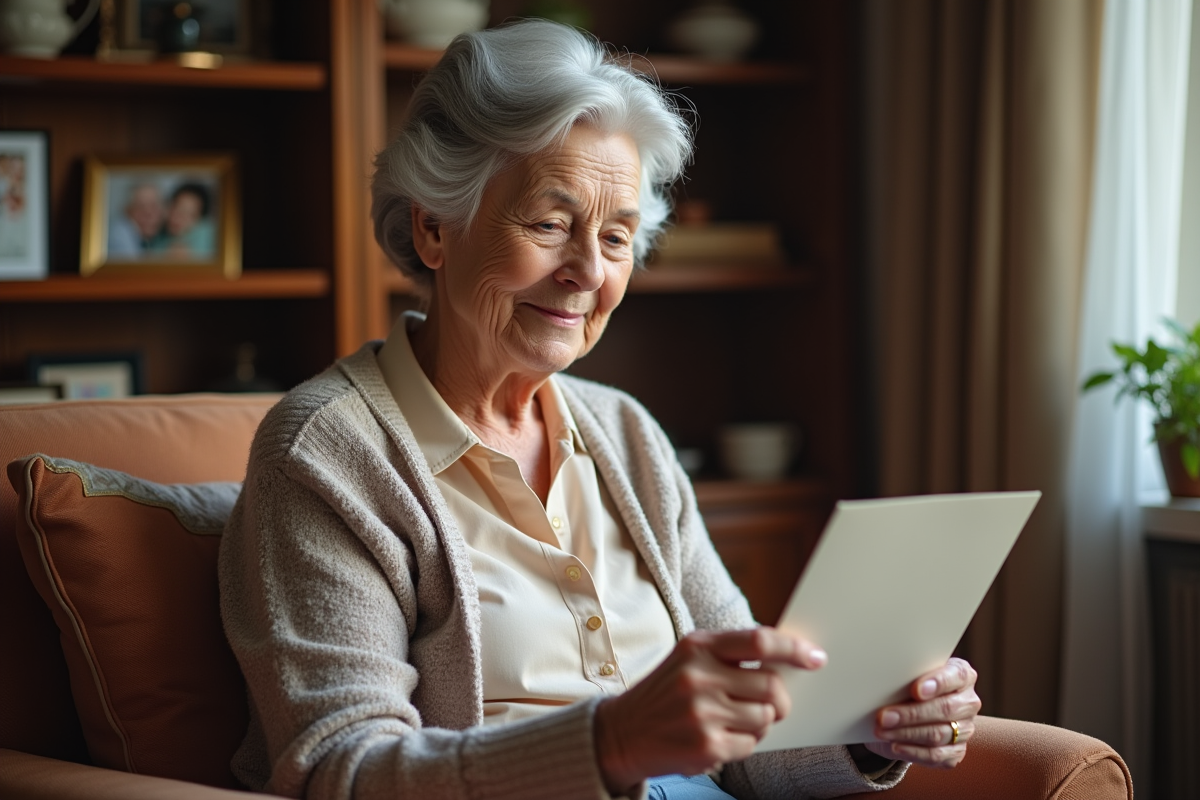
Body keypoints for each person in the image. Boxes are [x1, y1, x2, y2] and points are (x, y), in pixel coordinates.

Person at [218, 19, 980, 800]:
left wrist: (865, 728)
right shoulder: (328, 453)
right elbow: (338, 771)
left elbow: (744, 740)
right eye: (550, 224)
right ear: (434, 226)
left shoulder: (625, 433)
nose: (587, 272)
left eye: (616, 238)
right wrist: (610, 744)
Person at [148, 181, 215, 259]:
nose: (178, 217)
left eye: (189, 214)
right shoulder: (158, 235)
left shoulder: (205, 233)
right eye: (176, 208)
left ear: (199, 220)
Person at [108, 181, 166, 259]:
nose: (148, 214)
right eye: (141, 207)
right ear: (128, 211)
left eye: (154, 206)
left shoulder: (156, 237)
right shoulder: (119, 235)